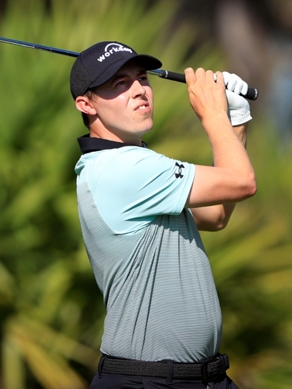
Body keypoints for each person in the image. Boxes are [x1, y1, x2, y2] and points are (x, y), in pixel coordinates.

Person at [71, 41, 256, 389]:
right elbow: (242, 182)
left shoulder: (133, 167)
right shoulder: (120, 168)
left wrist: (237, 121)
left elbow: (216, 215)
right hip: (145, 380)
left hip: (202, 378)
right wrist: (215, 114)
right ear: (86, 103)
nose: (139, 90)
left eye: (141, 78)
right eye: (119, 84)